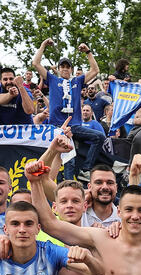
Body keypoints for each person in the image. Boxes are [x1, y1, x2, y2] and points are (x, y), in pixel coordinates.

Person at [32, 39, 103, 180]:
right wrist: (43, 46)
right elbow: (36, 63)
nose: (65, 69)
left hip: (74, 126)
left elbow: (95, 70)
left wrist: (88, 52)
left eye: (68, 67)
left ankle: (86, 169)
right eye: (62, 67)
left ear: (71, 69)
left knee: (99, 136)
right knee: (68, 158)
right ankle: (67, 186)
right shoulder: (52, 79)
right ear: (58, 69)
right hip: (57, 126)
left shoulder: (77, 81)